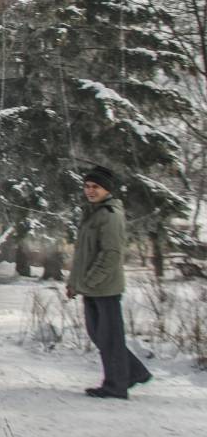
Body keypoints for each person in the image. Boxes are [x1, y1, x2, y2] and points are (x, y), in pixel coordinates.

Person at [67, 166, 152, 399]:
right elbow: (83, 254)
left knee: (109, 337)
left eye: (96, 187)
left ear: (107, 190)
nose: (90, 191)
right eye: (87, 186)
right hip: (91, 287)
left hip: (105, 288)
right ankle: (134, 372)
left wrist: (89, 281)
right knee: (98, 334)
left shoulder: (110, 215)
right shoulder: (92, 212)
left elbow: (111, 254)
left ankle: (116, 385)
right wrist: (75, 283)